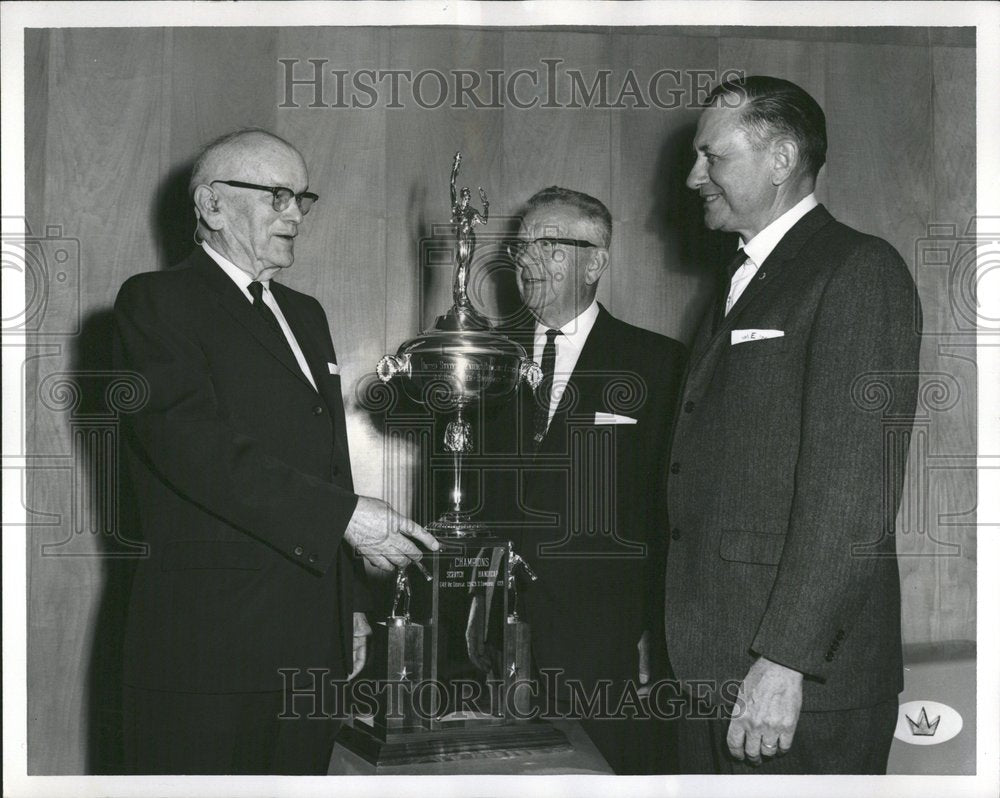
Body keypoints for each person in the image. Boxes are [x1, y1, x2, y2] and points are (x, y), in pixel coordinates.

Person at [112, 128, 438, 775]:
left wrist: (346, 607)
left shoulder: (305, 313)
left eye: (302, 198)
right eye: (279, 196)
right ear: (211, 206)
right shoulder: (155, 303)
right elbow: (191, 446)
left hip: (309, 644)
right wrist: (344, 517)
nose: (296, 214)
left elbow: (327, 462)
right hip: (205, 650)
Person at [664, 76, 922, 774]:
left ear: (780, 160)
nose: (693, 178)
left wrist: (785, 661)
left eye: (711, 157)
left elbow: (853, 494)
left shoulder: (857, 271)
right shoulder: (742, 279)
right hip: (715, 669)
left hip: (792, 686)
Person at [479, 186, 687, 773]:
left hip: (609, 641)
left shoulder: (661, 364)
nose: (527, 261)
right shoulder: (484, 360)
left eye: (549, 245)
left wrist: (658, 629)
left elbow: (671, 510)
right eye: (522, 247)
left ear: (595, 261)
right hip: (492, 638)